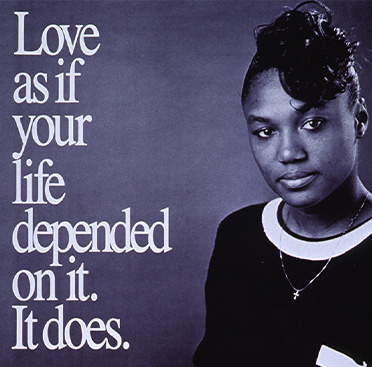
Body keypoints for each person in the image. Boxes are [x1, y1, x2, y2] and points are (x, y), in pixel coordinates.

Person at [193, 2, 372, 366]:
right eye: (265, 131)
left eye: (312, 124)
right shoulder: (237, 238)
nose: (288, 153)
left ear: (359, 121)